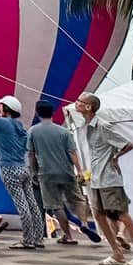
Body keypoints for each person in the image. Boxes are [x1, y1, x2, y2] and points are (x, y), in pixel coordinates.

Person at [79, 92, 133, 265]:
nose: (77, 104)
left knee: (122, 215)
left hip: (109, 179)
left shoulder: (103, 125)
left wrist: (115, 157)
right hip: (97, 179)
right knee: (99, 214)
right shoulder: (87, 126)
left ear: (88, 107)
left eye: (81, 101)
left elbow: (128, 144)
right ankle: (117, 253)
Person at [0, 96, 41, 250]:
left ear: (6, 109)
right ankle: (38, 237)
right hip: (23, 167)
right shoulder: (20, 126)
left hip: (8, 168)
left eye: (1, 106)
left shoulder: (3, 123)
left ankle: (27, 240)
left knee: (22, 206)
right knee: (32, 204)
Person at [30, 100, 92, 246]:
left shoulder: (33, 131)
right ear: (53, 113)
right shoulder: (63, 131)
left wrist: (33, 171)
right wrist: (80, 171)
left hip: (46, 173)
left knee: (56, 205)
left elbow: (32, 154)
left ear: (38, 113)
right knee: (77, 199)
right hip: (66, 171)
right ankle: (84, 223)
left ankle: (68, 235)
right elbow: (73, 152)